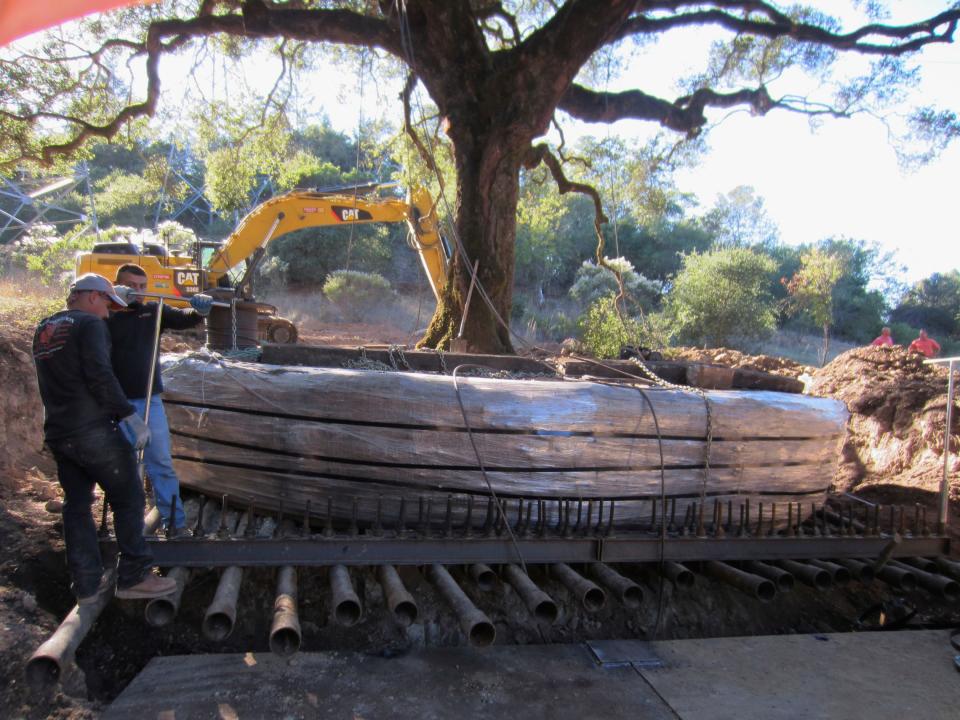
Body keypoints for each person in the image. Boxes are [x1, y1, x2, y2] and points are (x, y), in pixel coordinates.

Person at [33, 273, 176, 604]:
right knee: (128, 496)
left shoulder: (45, 328)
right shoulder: (90, 325)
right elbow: (100, 373)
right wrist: (128, 415)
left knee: (77, 505)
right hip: (92, 430)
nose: (110, 314)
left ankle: (85, 584)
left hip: (59, 430)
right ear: (93, 297)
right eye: (108, 304)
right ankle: (134, 577)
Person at [109, 264, 213, 533]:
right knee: (125, 468)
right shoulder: (103, 315)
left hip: (148, 401)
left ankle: (175, 526)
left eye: (143, 286)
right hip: (113, 405)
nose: (139, 291)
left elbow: (185, 317)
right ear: (117, 285)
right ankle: (128, 528)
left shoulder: (153, 311)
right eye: (132, 286)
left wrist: (200, 309)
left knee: (161, 464)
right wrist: (111, 299)